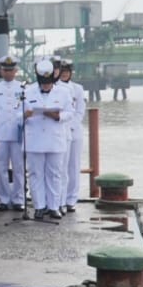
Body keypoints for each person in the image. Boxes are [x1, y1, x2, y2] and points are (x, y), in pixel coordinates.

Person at [22, 59, 72, 220]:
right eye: (43, 83)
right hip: (34, 139)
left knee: (55, 174)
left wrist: (58, 116)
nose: (45, 86)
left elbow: (70, 113)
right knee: (35, 174)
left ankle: (54, 206)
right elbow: (16, 115)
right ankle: (39, 206)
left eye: (48, 83)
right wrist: (25, 115)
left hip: (54, 139)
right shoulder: (28, 92)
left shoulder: (63, 92)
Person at [0, 55, 25, 211]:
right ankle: (3, 198)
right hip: (0, 134)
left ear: (16, 71)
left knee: (18, 168)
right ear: (1, 71)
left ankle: (18, 198)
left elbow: (25, 111)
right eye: (5, 70)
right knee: (0, 168)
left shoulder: (22, 88)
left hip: (17, 135)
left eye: (11, 70)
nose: (8, 73)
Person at [57, 59, 87, 213]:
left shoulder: (78, 88)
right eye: (62, 72)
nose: (65, 74)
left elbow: (80, 110)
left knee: (73, 166)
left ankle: (71, 199)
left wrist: (72, 125)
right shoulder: (55, 88)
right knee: (60, 167)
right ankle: (60, 199)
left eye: (67, 72)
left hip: (74, 132)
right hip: (59, 131)